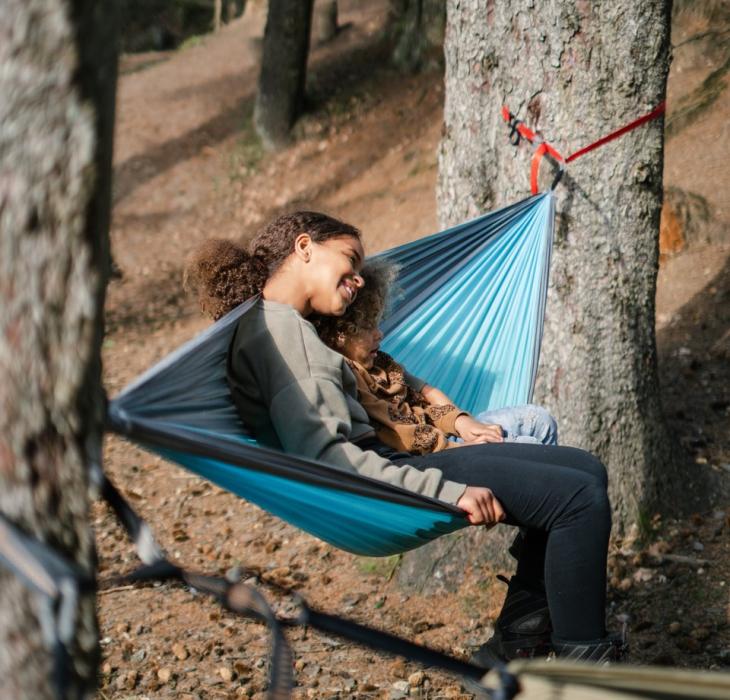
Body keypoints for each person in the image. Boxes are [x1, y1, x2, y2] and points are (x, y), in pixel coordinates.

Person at [185, 211, 625, 664]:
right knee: (577, 498)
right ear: (304, 248)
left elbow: (386, 380)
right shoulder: (281, 333)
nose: (357, 280)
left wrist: (453, 422)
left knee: (585, 471)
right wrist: (447, 491)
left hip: (385, 469)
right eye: (350, 261)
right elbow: (330, 459)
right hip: (381, 479)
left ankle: (517, 643)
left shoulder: (277, 325)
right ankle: (586, 672)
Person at [309, 258, 558, 456]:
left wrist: (464, 423)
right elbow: (398, 434)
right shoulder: (350, 376)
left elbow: (427, 391)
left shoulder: (381, 363)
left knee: (540, 421)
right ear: (339, 335)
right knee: (526, 446)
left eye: (377, 323)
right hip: (433, 458)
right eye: (367, 327)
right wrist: (458, 449)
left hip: (450, 437)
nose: (379, 334)